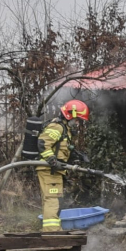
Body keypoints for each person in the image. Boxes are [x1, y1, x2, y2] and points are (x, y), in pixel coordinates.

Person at [37, 99, 90, 232]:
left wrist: (76, 155)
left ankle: (50, 230)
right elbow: (43, 143)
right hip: (49, 169)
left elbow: (61, 148)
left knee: (51, 199)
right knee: (52, 199)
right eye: (77, 119)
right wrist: (52, 160)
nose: (78, 122)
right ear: (70, 115)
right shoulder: (58, 127)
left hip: (54, 170)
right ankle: (52, 233)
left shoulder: (65, 129)